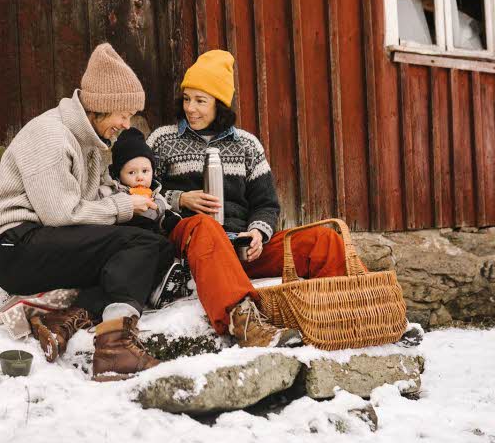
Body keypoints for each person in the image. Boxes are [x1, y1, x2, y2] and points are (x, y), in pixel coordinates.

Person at [0, 43, 173, 380]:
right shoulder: (50, 135)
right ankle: (114, 349)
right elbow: (60, 213)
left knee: (155, 244)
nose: (126, 124)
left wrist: (143, 204)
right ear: (100, 107)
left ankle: (63, 319)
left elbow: (95, 200)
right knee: (140, 245)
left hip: (46, 241)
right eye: (123, 114)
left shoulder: (92, 144)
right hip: (14, 246)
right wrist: (124, 206)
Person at [147, 49, 355, 348]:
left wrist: (257, 233)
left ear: (220, 104)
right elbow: (140, 191)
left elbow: (266, 203)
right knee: (206, 227)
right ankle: (246, 325)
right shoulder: (162, 140)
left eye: (200, 101)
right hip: (190, 246)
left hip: (240, 249)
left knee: (322, 240)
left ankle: (354, 314)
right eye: (187, 98)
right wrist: (181, 199)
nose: (191, 108)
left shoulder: (247, 145)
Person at [101, 127, 186, 308]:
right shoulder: (111, 192)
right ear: (118, 174)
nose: (140, 177)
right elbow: (103, 212)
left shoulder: (156, 195)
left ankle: (163, 285)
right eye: (132, 173)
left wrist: (169, 219)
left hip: (154, 243)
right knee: (137, 265)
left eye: (145, 171)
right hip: (125, 241)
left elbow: (164, 212)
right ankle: (145, 291)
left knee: (165, 252)